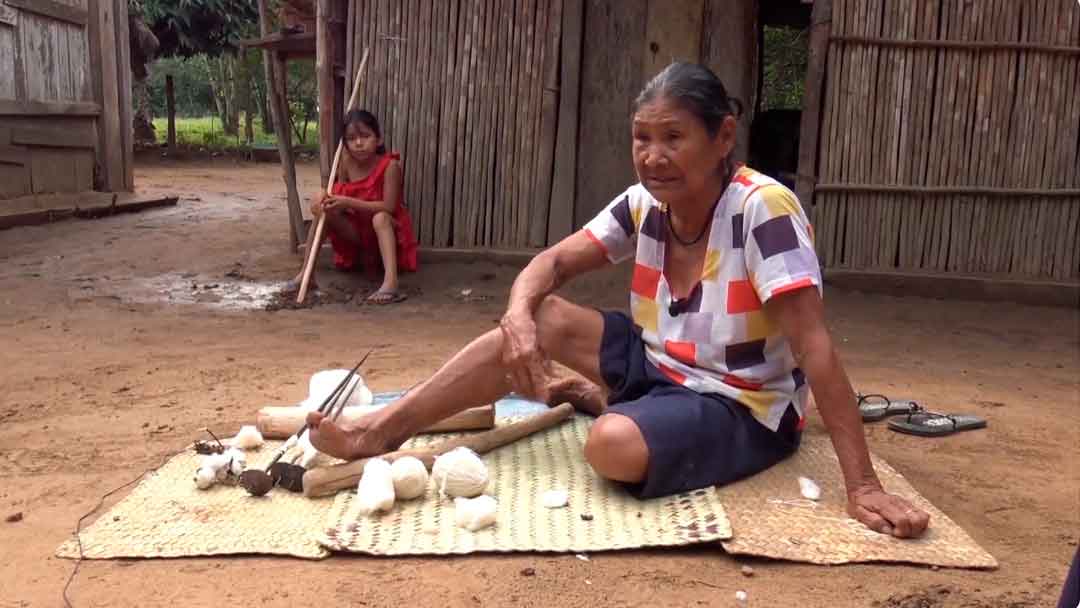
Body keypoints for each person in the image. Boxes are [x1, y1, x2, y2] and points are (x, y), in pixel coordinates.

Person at [307, 62, 931, 538]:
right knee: (544, 314)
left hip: (739, 402)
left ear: (723, 138)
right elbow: (550, 264)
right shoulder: (644, 204)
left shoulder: (762, 210)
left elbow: (814, 347)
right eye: (641, 138)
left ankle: (609, 405)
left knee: (609, 446)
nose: (653, 157)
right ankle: (381, 433)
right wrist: (519, 318)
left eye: (673, 138)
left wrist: (863, 484)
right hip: (659, 366)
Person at [292, 109, 418, 304]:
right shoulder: (345, 161)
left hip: (385, 233)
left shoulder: (390, 166)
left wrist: (348, 202)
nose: (359, 143)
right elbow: (336, 193)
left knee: (380, 217)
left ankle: (390, 282)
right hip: (357, 233)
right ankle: (306, 275)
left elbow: (389, 207)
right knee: (324, 214)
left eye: (365, 136)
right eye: (351, 139)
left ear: (379, 139)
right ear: (346, 144)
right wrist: (321, 198)